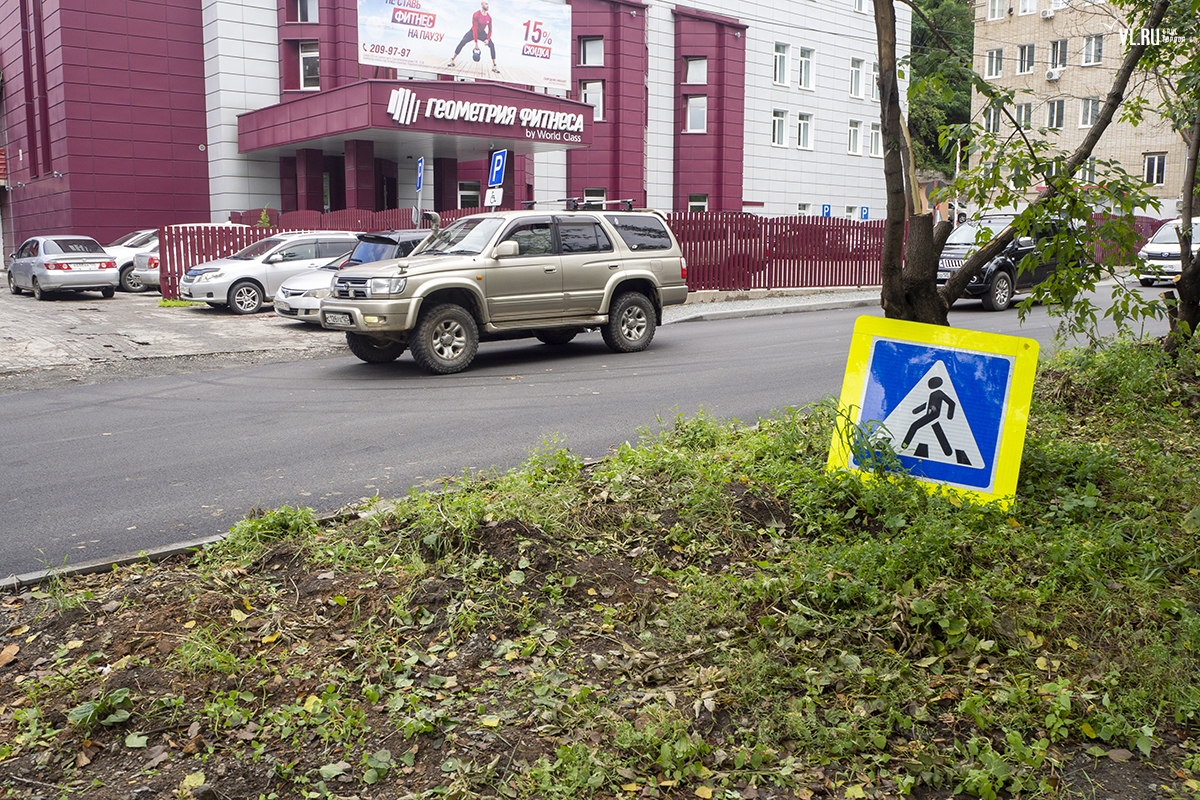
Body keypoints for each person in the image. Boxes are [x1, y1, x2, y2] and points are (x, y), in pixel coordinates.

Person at [449, 1, 499, 74]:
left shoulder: (489, 17)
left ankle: (494, 66)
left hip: (482, 33)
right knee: (463, 42)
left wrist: (488, 39)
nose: (488, 6)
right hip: (473, 32)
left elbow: (490, 30)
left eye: (488, 4)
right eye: (486, 4)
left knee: (492, 45)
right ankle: (452, 60)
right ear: (482, 4)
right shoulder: (476, 15)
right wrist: (476, 43)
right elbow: (475, 29)